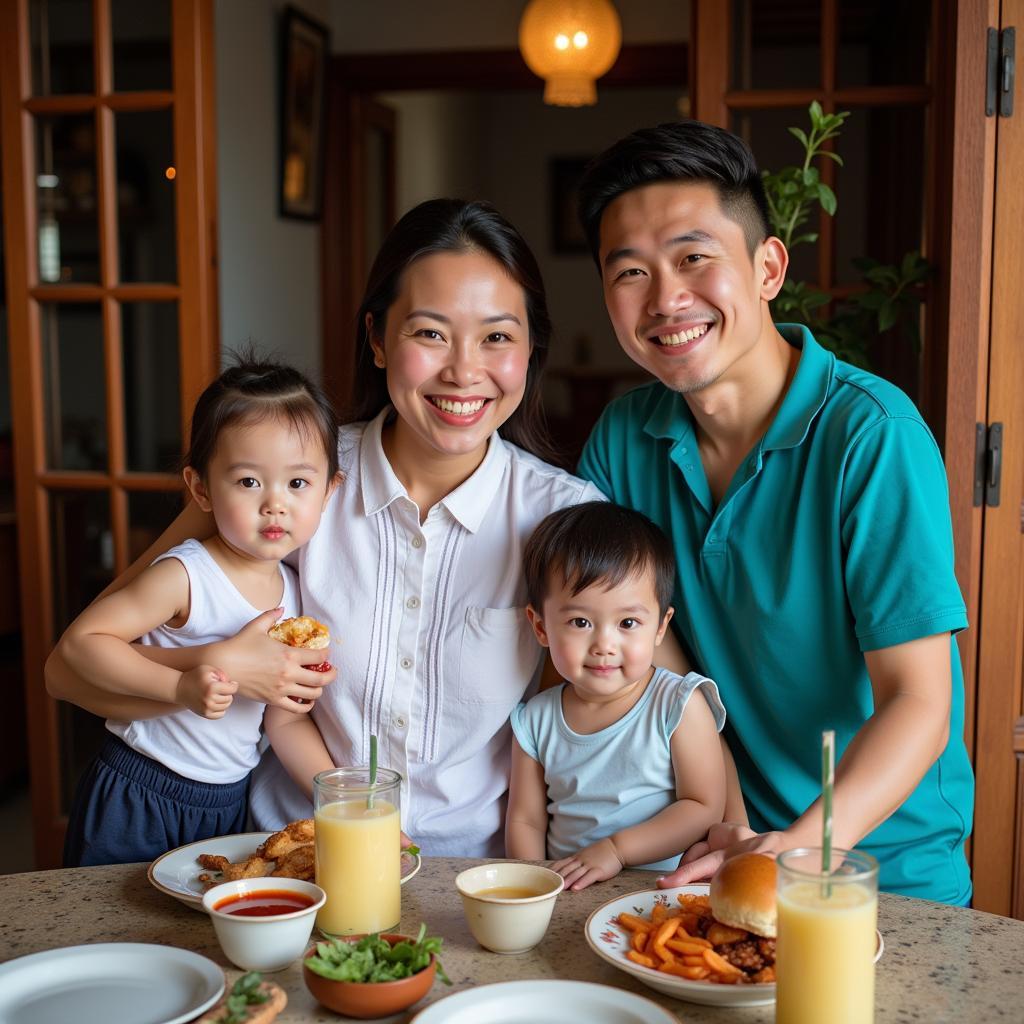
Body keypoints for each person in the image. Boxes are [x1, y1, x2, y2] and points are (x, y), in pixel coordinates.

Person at [47, 199, 606, 858]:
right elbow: (70, 670)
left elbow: (630, 698)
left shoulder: (563, 516)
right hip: (284, 858)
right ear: (376, 338)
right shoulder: (283, 481)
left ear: (531, 349)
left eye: (497, 337)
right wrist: (209, 675)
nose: (463, 370)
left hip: (465, 874)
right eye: (429, 333)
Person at [573, 120, 974, 905]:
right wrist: (726, 809)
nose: (666, 299)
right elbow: (643, 641)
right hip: (718, 849)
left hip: (879, 867)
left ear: (767, 267)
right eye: (630, 273)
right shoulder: (623, 439)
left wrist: (802, 847)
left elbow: (919, 701)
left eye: (694, 258)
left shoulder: (871, 435)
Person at [54, 357, 339, 865]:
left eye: (298, 484)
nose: (275, 504)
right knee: (115, 931)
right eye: (249, 482)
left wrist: (340, 800)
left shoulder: (296, 598)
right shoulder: (186, 575)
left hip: (225, 802)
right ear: (201, 488)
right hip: (142, 788)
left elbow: (282, 722)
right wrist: (179, 689)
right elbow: (84, 644)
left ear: (329, 491)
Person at [506, 501, 727, 891]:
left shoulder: (678, 703)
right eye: (580, 622)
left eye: (628, 623)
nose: (604, 644)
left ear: (660, 628)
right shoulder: (535, 720)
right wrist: (534, 886)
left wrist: (617, 850)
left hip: (661, 893)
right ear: (540, 627)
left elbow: (703, 806)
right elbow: (526, 820)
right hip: (568, 892)